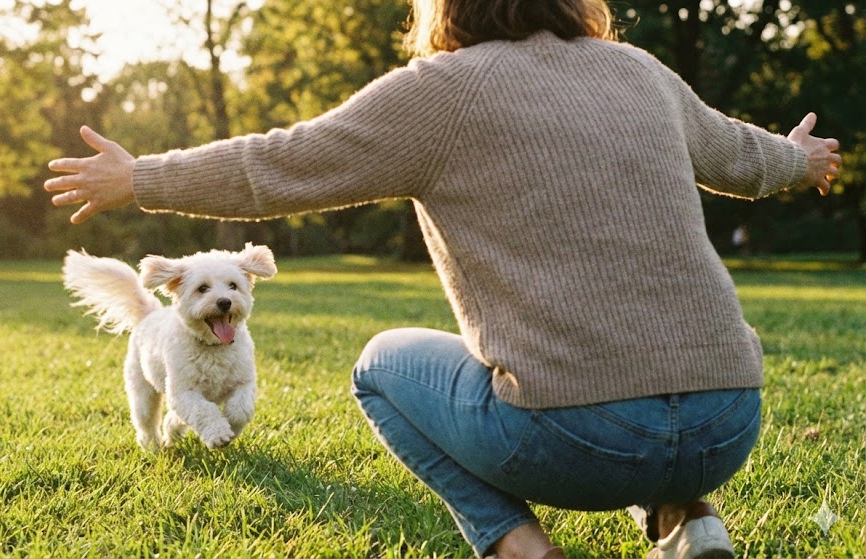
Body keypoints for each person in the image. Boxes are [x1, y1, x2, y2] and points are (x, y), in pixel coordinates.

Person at [43, 0, 842, 557]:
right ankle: (688, 514)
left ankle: (522, 547)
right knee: (641, 385)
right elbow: (742, 155)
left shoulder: (439, 93)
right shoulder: (639, 70)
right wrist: (801, 160)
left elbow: (278, 164)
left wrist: (141, 176)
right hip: (729, 420)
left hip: (580, 436)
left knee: (380, 366)